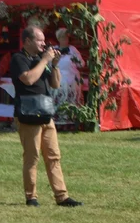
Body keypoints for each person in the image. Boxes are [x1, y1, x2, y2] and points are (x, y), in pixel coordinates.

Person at [9, 26, 82, 207]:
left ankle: (62, 196)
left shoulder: (41, 60)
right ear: (27, 41)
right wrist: (44, 60)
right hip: (28, 114)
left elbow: (55, 84)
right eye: (39, 40)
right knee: (32, 157)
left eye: (43, 40)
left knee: (53, 156)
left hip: (45, 113)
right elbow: (28, 79)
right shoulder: (19, 59)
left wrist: (54, 64)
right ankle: (31, 197)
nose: (44, 43)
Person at [52, 28, 86, 110]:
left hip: (72, 80)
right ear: (58, 39)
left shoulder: (72, 49)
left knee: (72, 102)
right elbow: (49, 64)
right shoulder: (54, 49)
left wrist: (75, 58)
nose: (65, 39)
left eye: (66, 37)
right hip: (59, 79)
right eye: (62, 37)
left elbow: (82, 64)